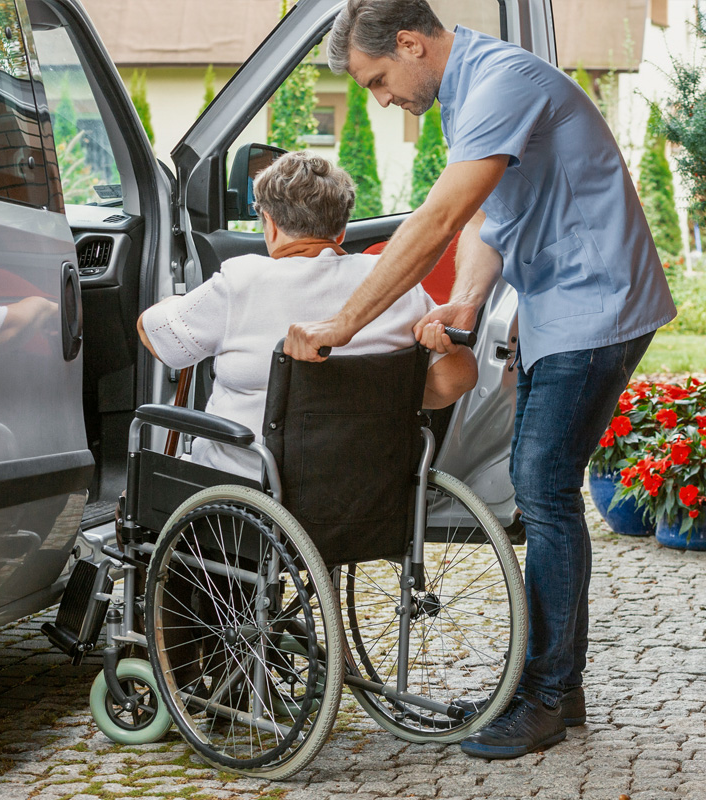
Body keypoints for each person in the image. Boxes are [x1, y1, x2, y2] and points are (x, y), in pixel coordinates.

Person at [283, 0, 676, 759]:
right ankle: (553, 683)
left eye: (376, 79)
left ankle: (548, 696)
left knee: (542, 485)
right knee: (545, 485)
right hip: (558, 305)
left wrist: (344, 324)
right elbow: (489, 223)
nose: (382, 98)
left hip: (597, 303)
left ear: (409, 42)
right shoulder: (463, 98)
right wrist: (466, 299)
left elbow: (437, 217)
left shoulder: (501, 81)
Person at [138, 150, 477, 481]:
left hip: (248, 495)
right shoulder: (396, 285)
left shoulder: (241, 282)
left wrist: (169, 305)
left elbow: (158, 338)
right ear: (341, 230)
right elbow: (452, 382)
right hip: (366, 493)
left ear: (269, 224)